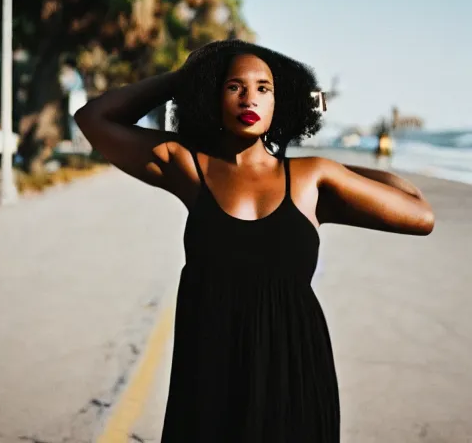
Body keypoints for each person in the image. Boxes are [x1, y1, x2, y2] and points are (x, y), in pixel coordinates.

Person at [75, 40, 434, 442]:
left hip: (294, 371)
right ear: (212, 95)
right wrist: (185, 77)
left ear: (281, 103)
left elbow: (420, 214)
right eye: (233, 86)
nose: (250, 98)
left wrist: (337, 171)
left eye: (264, 88)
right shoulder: (188, 165)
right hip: (209, 375)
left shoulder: (311, 177)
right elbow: (93, 118)